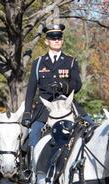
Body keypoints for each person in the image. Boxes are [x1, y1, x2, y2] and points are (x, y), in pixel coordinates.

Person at [22, 23, 90, 151]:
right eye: (53, 38)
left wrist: (63, 85)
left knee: (91, 126)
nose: (57, 40)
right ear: (47, 41)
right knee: (33, 136)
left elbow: (77, 84)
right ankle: (31, 169)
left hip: (66, 103)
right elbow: (31, 90)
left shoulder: (70, 60)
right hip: (44, 108)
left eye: (59, 37)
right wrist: (27, 112)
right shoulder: (38, 63)